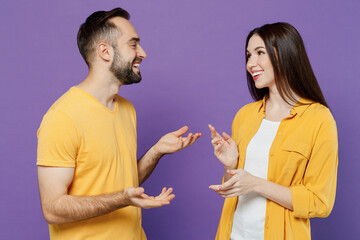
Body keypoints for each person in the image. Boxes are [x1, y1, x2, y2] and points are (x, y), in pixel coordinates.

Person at [37, 8, 201, 240]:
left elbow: (124, 183)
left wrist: (156, 151)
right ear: (105, 51)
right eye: (133, 44)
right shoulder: (62, 117)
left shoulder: (126, 109)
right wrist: (122, 200)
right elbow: (52, 209)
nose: (142, 53)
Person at [208, 22, 338, 240]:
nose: (251, 63)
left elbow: (319, 201)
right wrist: (230, 165)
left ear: (287, 54)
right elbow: (236, 187)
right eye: (248, 55)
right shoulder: (245, 115)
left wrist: (256, 184)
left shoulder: (319, 118)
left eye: (260, 52)